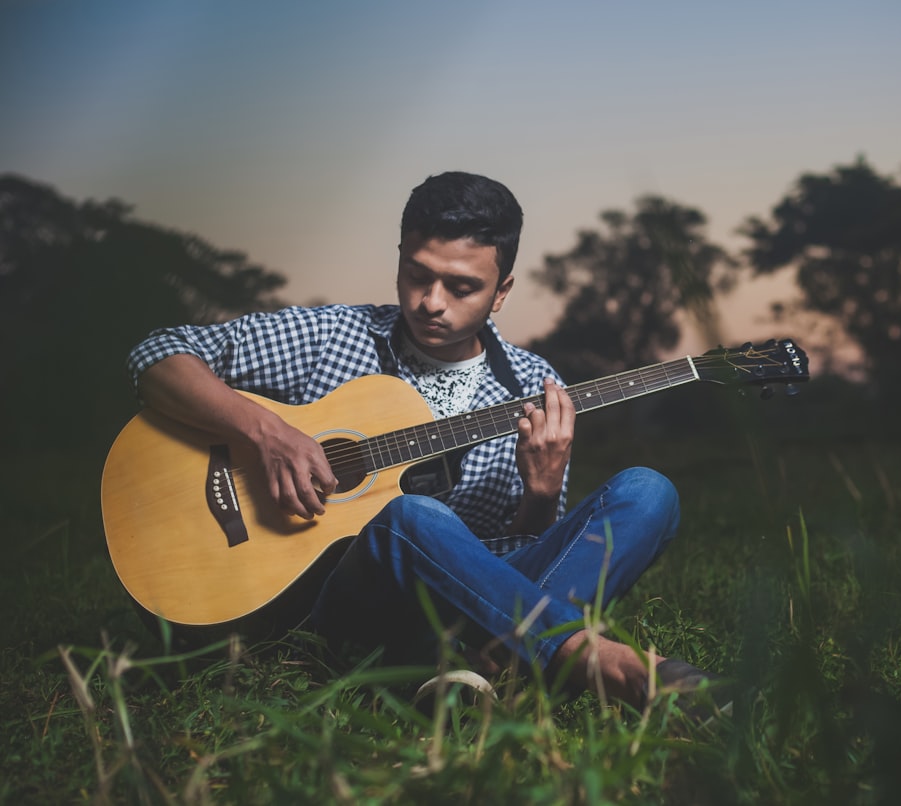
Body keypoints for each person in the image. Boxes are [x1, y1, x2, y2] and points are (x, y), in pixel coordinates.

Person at [127, 171, 724, 712]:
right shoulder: (333, 334)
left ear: (503, 290)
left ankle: (478, 668)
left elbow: (532, 558)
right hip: (350, 601)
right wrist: (266, 432)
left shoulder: (533, 385)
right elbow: (157, 356)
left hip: (470, 601)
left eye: (461, 287)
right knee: (411, 515)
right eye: (417, 275)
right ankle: (597, 663)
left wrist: (542, 490)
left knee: (649, 493)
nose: (431, 302)